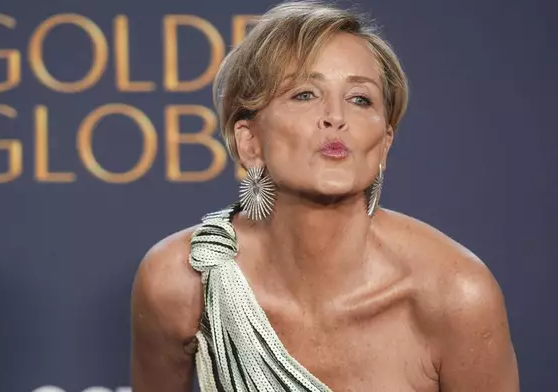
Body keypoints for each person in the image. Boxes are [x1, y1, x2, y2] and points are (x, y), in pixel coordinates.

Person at [130, 1, 519, 391]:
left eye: (359, 99)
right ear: (249, 141)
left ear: (384, 143)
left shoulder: (456, 295)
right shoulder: (182, 280)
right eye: (304, 94)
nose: (336, 116)